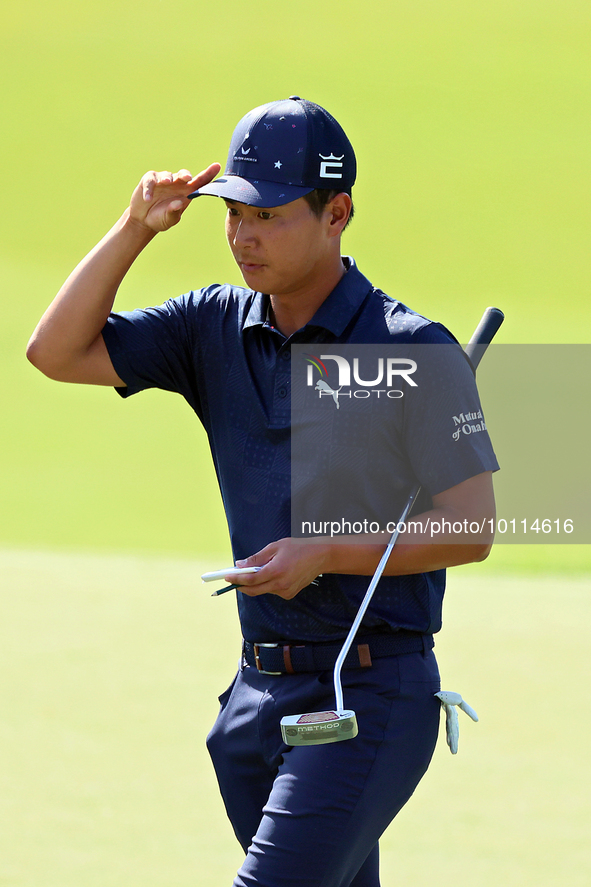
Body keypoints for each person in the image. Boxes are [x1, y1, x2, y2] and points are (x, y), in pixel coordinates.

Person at [27, 97, 498, 887]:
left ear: (335, 213)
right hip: (255, 700)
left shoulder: (411, 346)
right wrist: (135, 227)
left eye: (269, 214)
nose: (243, 236)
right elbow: (55, 350)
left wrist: (326, 555)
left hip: (369, 693)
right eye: (234, 213)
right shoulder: (212, 325)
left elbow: (473, 528)